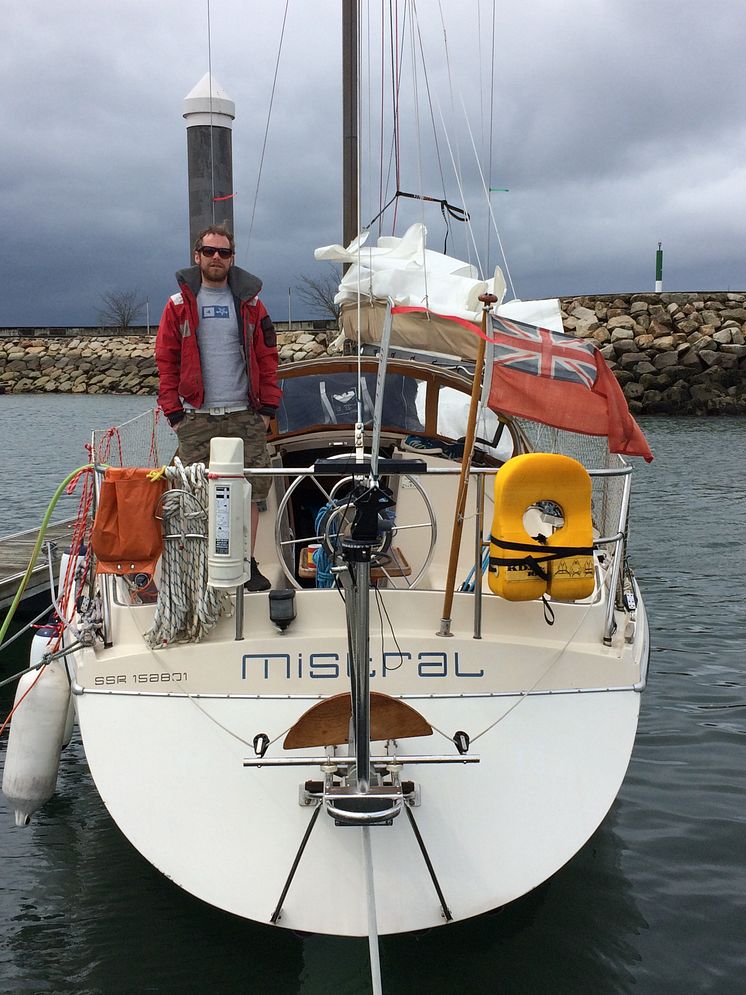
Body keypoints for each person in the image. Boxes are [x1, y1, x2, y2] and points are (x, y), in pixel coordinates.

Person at [155, 224, 280, 591]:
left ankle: (246, 561)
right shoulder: (177, 305)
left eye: (223, 253)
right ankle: (199, 563)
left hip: (244, 413)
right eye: (209, 251)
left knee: (254, 490)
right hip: (196, 416)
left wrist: (267, 408)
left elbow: (267, 356)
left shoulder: (252, 305)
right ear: (197, 256)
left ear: (231, 258)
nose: (215, 258)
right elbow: (166, 360)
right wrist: (174, 413)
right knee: (191, 492)